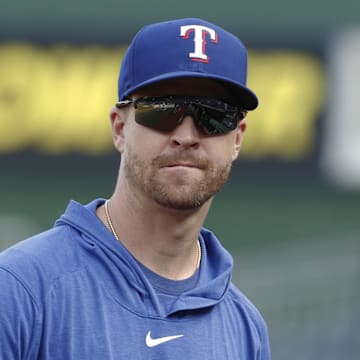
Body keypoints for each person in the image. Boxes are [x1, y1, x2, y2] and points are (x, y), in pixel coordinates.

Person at [0, 18, 270, 359]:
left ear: (238, 137)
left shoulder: (245, 328)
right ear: (119, 127)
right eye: (162, 110)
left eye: (214, 115)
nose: (186, 137)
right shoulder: (20, 289)